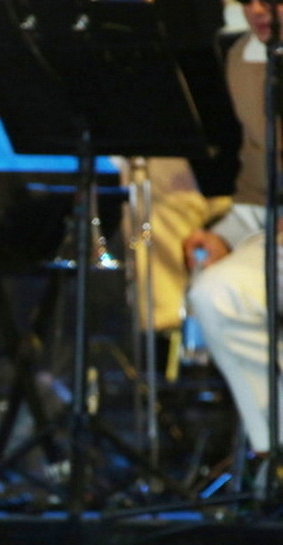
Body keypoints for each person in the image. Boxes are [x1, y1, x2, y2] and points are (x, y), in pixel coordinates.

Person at [184, 0, 281, 487]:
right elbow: (255, 189)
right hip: (274, 235)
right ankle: (273, 453)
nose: (258, 10)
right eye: (249, 0)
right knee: (214, 292)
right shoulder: (244, 58)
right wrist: (223, 235)